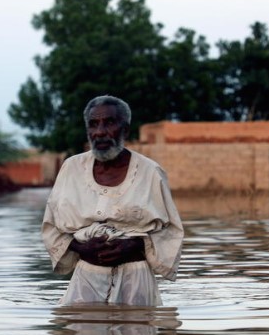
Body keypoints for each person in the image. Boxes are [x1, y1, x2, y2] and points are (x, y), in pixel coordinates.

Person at [42, 95, 184, 306]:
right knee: (83, 333)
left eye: (109, 123)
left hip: (136, 281)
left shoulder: (150, 172)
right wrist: (81, 248)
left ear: (125, 130)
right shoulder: (71, 168)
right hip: (86, 279)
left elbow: (172, 231)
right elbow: (51, 227)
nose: (100, 132)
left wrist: (137, 244)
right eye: (93, 124)